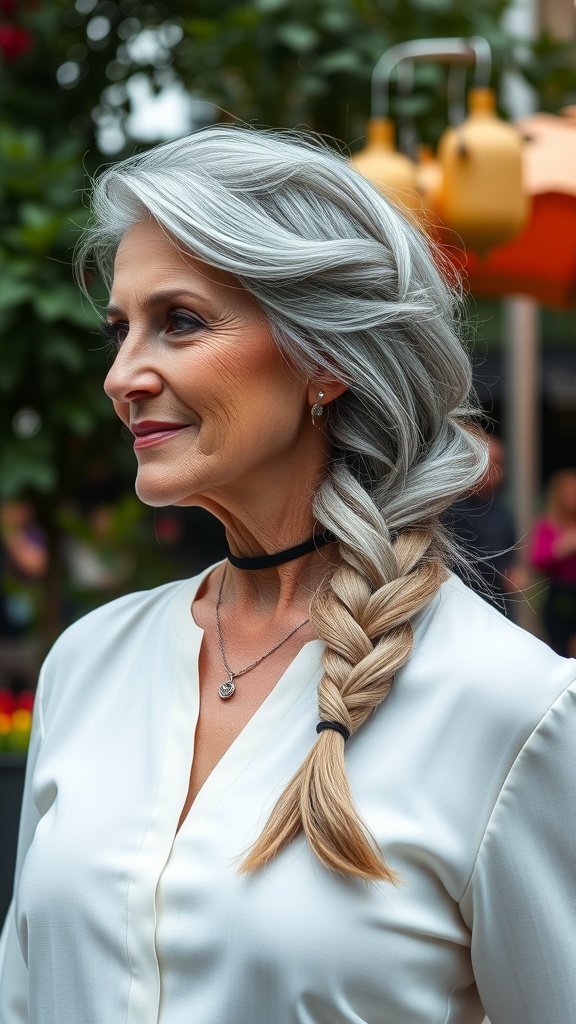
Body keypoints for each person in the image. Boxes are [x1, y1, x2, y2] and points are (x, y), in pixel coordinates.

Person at [0, 127, 574, 1024]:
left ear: (326, 356)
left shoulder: (512, 708)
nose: (122, 375)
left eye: (180, 322)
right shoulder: (89, 662)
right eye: (120, 330)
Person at [448, 434, 526, 617]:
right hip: (459, 607)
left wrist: (514, 574)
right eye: (487, 462)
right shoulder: (448, 510)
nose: (493, 469)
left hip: (498, 606)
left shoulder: (503, 512)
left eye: (498, 463)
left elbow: (511, 556)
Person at [529, 468, 576, 656]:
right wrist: (563, 547)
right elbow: (537, 561)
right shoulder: (548, 525)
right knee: (559, 645)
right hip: (560, 593)